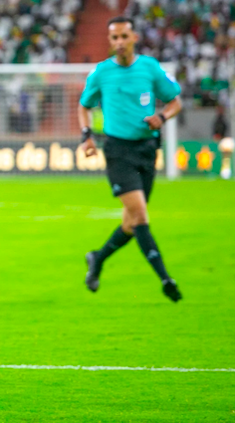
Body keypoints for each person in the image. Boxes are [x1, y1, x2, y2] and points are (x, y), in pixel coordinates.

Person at [80, 17, 183, 302]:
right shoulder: (102, 72)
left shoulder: (149, 68)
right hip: (118, 151)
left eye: (124, 36)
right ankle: (165, 278)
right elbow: (84, 106)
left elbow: (175, 101)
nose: (120, 42)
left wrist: (162, 117)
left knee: (130, 223)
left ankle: (98, 258)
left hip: (146, 150)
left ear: (134, 37)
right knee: (140, 216)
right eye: (114, 38)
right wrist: (87, 136)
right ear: (110, 41)